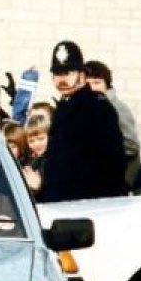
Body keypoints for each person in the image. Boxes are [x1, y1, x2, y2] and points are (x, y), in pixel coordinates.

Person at [37, 41, 126, 203]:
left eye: (68, 72)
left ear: (82, 75)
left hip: (86, 204)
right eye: (57, 74)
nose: (61, 79)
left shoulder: (97, 107)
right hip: (60, 202)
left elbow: (114, 162)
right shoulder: (64, 106)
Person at [84, 60, 141, 187]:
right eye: (88, 83)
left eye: (97, 82)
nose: (92, 87)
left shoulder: (116, 108)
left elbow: (132, 146)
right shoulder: (89, 108)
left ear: (107, 84)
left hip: (123, 181)